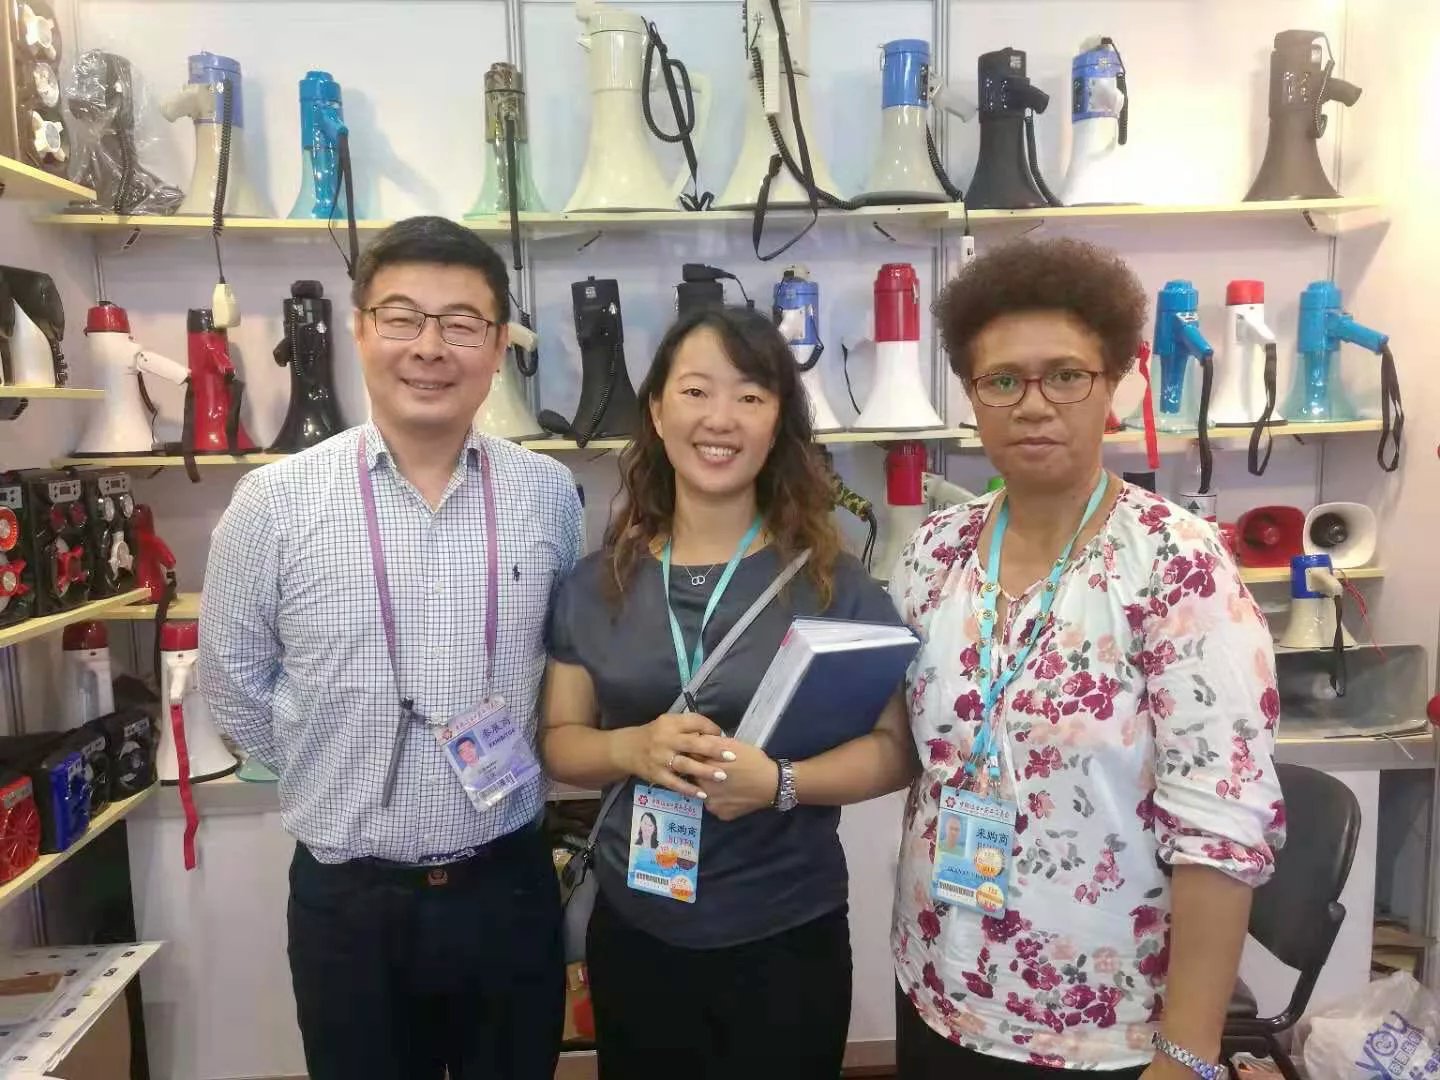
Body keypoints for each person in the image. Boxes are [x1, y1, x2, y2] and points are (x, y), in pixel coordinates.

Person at [888, 239, 1285, 1080]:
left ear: (1112, 385)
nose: (1034, 404)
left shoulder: (1176, 564)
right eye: (1003, 381)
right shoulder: (934, 552)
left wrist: (1187, 1055)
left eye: (1066, 375)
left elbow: (1220, 829)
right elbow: (906, 743)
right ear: (972, 396)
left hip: (1103, 1025)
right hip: (938, 987)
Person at [198, 216, 582, 1080]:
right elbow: (234, 687)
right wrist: (329, 760)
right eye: (402, 317)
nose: (430, 347)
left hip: (510, 885)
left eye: (462, 323)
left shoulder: (549, 494)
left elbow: (562, 662)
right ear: (360, 328)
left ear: (499, 345)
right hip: (349, 903)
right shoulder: (274, 502)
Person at [541, 306, 918, 1079]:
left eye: (750, 396)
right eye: (696, 391)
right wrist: (631, 748)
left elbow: (895, 750)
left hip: (786, 929)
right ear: (656, 411)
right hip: (638, 927)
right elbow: (560, 741)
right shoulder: (596, 583)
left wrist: (781, 783)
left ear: (779, 422)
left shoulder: (832, 583)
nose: (721, 419)